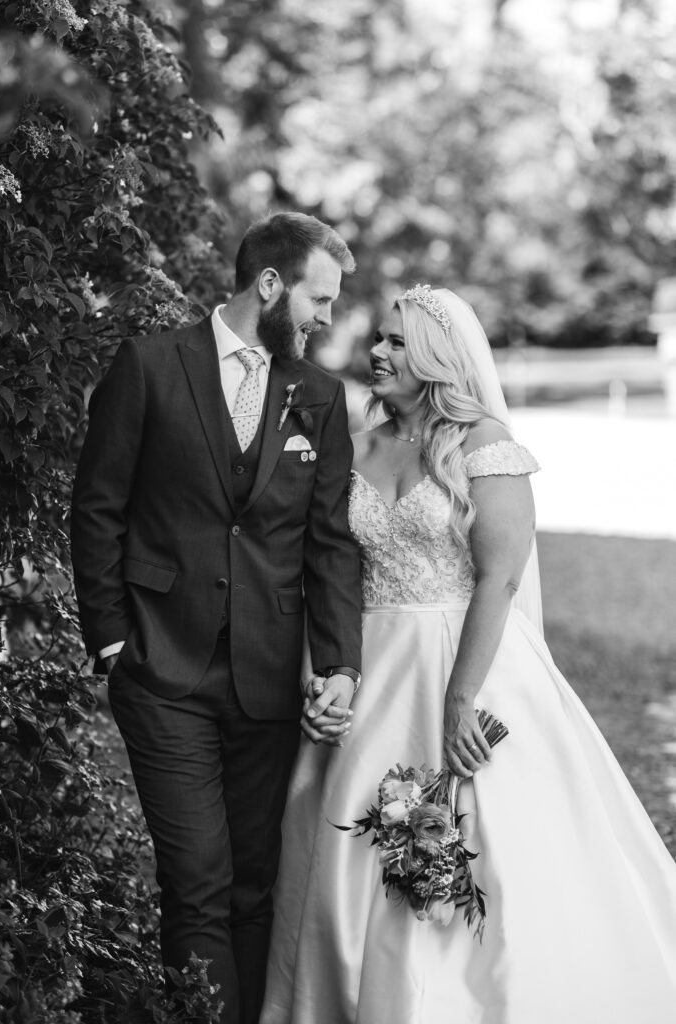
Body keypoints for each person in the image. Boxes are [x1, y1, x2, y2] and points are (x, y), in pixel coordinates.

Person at [259, 285, 676, 1024]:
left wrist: (459, 700)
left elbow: (500, 577)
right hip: (371, 663)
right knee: (349, 839)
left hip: (471, 660)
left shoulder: (485, 445)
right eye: (379, 339)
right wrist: (324, 670)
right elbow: (331, 571)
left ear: (434, 357)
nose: (375, 352)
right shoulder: (361, 442)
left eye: (394, 342)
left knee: (491, 841)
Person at [70, 212, 363, 1024]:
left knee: (252, 884)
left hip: (268, 680)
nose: (327, 319)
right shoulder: (151, 365)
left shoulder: (319, 396)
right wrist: (111, 639)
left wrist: (339, 664)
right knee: (196, 880)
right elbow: (97, 510)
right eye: (320, 298)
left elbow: (329, 544)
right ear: (269, 284)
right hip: (160, 669)